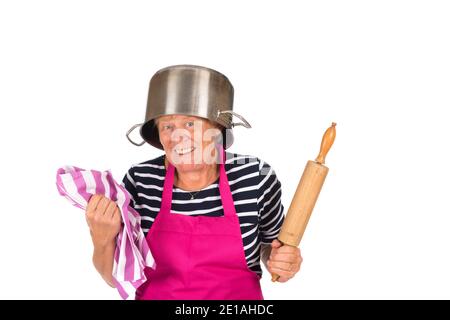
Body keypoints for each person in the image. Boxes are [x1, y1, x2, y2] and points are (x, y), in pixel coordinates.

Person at [85, 65, 302, 299]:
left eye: (190, 124)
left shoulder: (255, 176)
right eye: (168, 126)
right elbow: (115, 278)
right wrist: (102, 239)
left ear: (218, 127)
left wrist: (281, 262)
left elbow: (271, 247)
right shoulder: (140, 181)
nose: (179, 137)